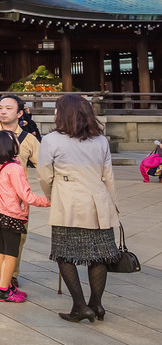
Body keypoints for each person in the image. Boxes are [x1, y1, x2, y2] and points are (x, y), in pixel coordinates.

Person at [39, 94, 120, 323]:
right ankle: (97, 303)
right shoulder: (100, 140)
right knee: (99, 256)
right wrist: (113, 206)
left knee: (64, 253)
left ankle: (79, 305)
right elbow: (109, 176)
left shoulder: (52, 140)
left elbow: (44, 174)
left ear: (63, 113)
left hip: (68, 199)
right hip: (98, 201)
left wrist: (51, 195)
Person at [0, 94, 41, 288]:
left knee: (17, 236)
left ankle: (11, 273)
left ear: (20, 113)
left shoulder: (28, 139)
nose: (3, 111)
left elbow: (42, 163)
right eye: (0, 107)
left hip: (18, 195)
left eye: (9, 108)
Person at [0, 130, 50, 305]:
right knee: (11, 254)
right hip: (10, 214)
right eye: (16, 140)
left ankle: (6, 285)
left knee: (1, 250)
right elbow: (27, 196)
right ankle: (3, 291)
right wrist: (48, 201)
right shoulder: (14, 168)